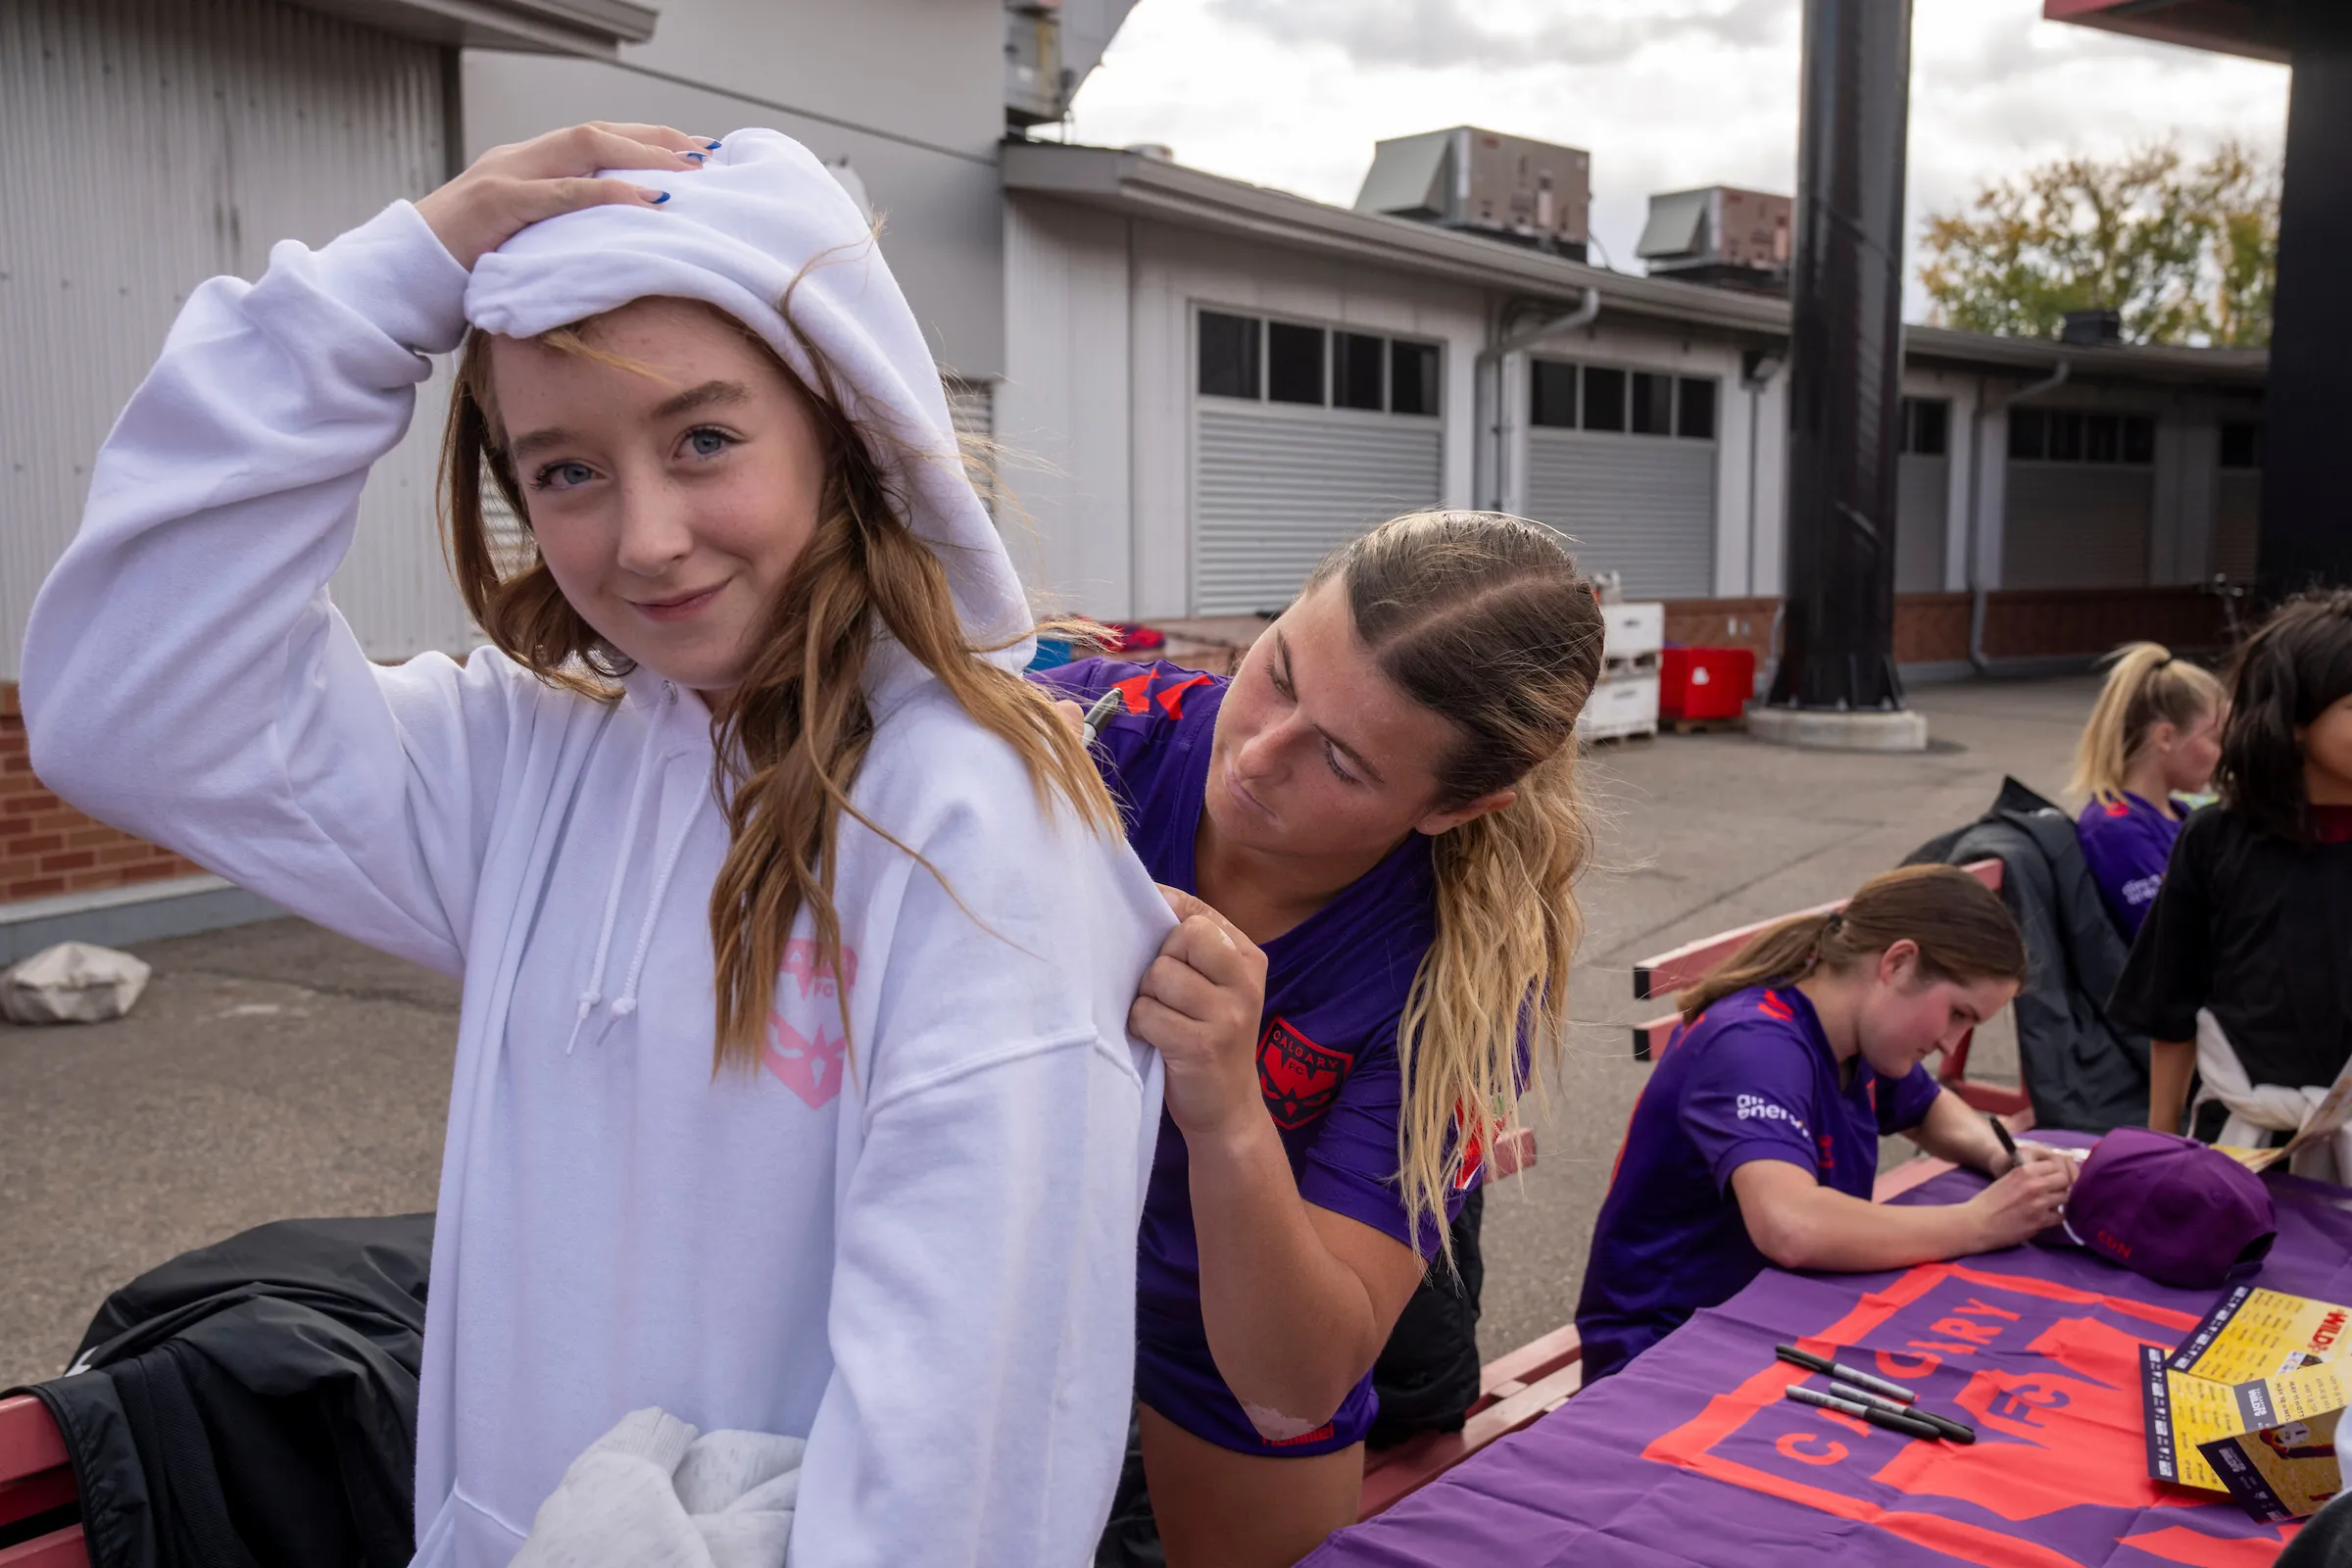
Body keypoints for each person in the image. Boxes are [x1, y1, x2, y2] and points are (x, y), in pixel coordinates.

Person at [21, 124, 1173, 1565]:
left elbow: (974, 1435)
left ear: (845, 422)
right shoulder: (536, 764)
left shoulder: (975, 825)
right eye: (564, 471)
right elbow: (133, 708)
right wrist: (383, 295)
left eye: (704, 439)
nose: (644, 540)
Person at [1039, 512, 1604, 1568]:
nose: (1257, 753)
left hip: (1224, 1319)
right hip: (1019, 1246)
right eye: (1281, 673)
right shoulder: (1095, 736)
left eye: (1342, 761)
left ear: (1457, 806)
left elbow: (1297, 1387)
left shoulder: (1463, 979)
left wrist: (1228, 1111)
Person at [1575, 865, 2077, 1384]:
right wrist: (1979, 1223)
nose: (1953, 1043)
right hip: (1665, 1352)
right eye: (1957, 1014)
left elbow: (1929, 1107)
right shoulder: (1755, 1043)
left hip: (1767, 1319)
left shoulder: (1856, 1032)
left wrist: (2000, 1155)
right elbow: (1791, 1226)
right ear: (1898, 963)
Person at [2114, 591, 2352, 1173]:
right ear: (2295, 719)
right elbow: (2172, 1009)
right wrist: (2160, 1149)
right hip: (2238, 1148)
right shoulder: (2215, 838)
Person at [2068, 642, 2226, 939]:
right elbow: (2175, 939)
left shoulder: (2182, 812)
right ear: (2165, 737)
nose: (2224, 754)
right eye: (2216, 738)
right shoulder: (2116, 828)